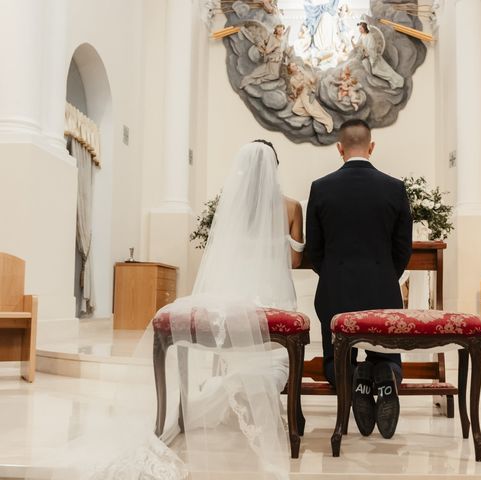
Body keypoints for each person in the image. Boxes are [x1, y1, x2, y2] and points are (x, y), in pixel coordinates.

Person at [32, 141, 304, 480]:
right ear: (275, 167)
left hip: (233, 294)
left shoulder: (233, 209)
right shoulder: (291, 207)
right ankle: (258, 398)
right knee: (277, 354)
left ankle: (212, 396)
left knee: (231, 341)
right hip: (273, 296)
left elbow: (225, 253)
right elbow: (294, 260)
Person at [305, 119, 412, 440]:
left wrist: (335, 274)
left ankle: (355, 379)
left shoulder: (321, 188)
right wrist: (384, 275)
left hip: (335, 293)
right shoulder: (394, 188)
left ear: (339, 148)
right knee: (388, 354)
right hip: (383, 290)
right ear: (371, 146)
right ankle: (382, 372)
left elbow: (314, 249)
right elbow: (402, 248)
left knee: (335, 360)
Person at [353, 22, 405, 90]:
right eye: (359, 28)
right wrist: (352, 40)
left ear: (364, 28)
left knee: (382, 70)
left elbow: (372, 48)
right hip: (370, 57)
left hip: (375, 57)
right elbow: (356, 46)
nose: (359, 30)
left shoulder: (370, 36)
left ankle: (397, 81)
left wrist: (365, 49)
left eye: (360, 28)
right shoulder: (362, 36)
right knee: (382, 71)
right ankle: (394, 82)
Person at [288, 63, 334, 133]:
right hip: (301, 94)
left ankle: (328, 122)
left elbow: (312, 81)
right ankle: (314, 115)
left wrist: (306, 75)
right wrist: (301, 84)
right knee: (295, 109)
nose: (296, 66)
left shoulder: (303, 73)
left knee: (311, 110)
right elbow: (297, 88)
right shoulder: (292, 79)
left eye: (296, 65)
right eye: (293, 66)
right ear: (291, 70)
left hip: (307, 92)